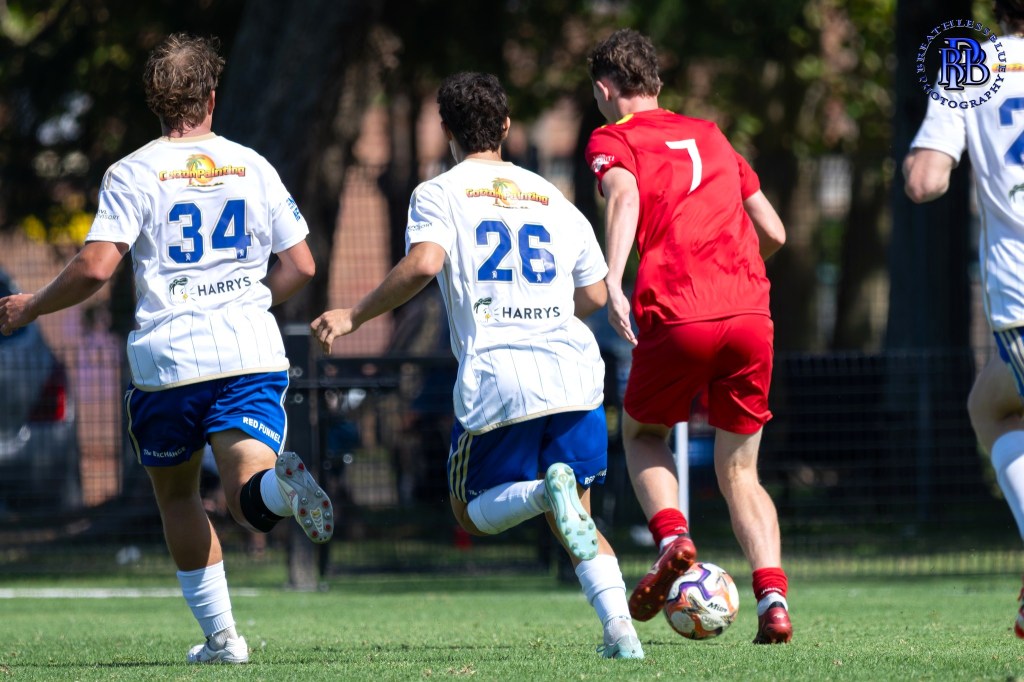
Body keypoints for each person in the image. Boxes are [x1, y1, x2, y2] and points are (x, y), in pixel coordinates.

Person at [0, 33, 334, 664]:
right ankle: (281, 492)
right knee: (247, 497)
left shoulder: (132, 171)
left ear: (155, 100)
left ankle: (223, 639)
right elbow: (302, 265)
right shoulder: (254, 165)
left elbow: (97, 267)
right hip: (248, 352)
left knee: (178, 496)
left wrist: (32, 305)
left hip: (170, 362)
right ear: (211, 97)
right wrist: (247, 297)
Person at [312, 71, 644, 660]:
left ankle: (542, 494)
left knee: (470, 511)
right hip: (573, 371)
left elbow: (423, 263)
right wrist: (544, 310)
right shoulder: (552, 197)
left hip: (500, 375)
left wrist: (354, 315)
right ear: (507, 126)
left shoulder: (439, 192)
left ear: (446, 131)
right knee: (579, 516)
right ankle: (622, 633)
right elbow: (594, 292)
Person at [584, 29, 792, 644]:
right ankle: (773, 599)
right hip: (751, 314)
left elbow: (624, 195)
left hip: (679, 311)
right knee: (742, 470)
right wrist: (735, 275)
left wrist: (614, 280)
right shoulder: (711, 134)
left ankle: (674, 539)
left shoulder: (613, 138)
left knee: (642, 433)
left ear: (605, 89)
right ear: (656, 82)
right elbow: (775, 232)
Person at [903, 0, 1024, 638]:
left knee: (992, 411)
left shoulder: (975, 65)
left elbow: (925, 181)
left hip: (1019, 295)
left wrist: (912, 159)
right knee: (989, 403)